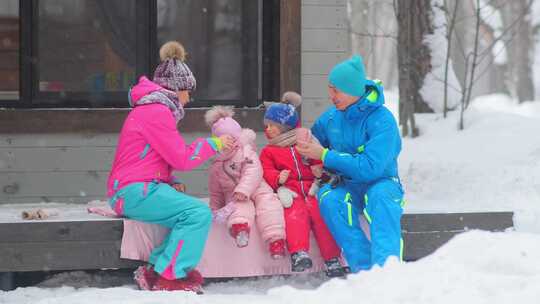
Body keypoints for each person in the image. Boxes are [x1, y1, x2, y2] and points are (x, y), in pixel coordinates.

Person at [106, 41, 234, 292]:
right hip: (133, 192)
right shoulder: (157, 112)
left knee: (189, 212)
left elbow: (148, 158)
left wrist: (168, 181)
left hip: (132, 189)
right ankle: (171, 275)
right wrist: (214, 144)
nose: (189, 99)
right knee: (197, 213)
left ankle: (155, 271)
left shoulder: (150, 109)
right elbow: (182, 159)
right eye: (188, 91)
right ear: (177, 89)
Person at [296, 55, 405, 273]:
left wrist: (326, 156)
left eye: (336, 90)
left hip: (381, 180)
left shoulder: (383, 120)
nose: (331, 96)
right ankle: (363, 272)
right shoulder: (331, 118)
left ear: (353, 90)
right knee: (329, 198)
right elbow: (316, 144)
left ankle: (388, 273)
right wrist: (307, 149)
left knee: (382, 199)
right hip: (346, 183)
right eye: (330, 89)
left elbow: (370, 167)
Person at [259, 92, 346, 277]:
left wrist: (318, 168)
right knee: (295, 215)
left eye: (272, 126)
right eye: (266, 126)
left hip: (311, 188)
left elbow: (317, 158)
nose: (267, 129)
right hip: (290, 191)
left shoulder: (304, 142)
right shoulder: (269, 151)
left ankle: (332, 259)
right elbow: (265, 171)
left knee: (322, 216)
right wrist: (277, 177)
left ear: (284, 127)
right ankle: (298, 253)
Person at [205, 106, 287, 258]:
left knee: (269, 204)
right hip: (235, 195)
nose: (227, 143)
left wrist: (243, 189)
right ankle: (240, 229)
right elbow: (215, 191)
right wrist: (214, 208)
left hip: (257, 187)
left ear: (237, 138)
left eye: (231, 138)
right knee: (238, 207)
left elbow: (253, 171)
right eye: (222, 140)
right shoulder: (216, 166)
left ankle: (275, 239)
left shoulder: (246, 151)